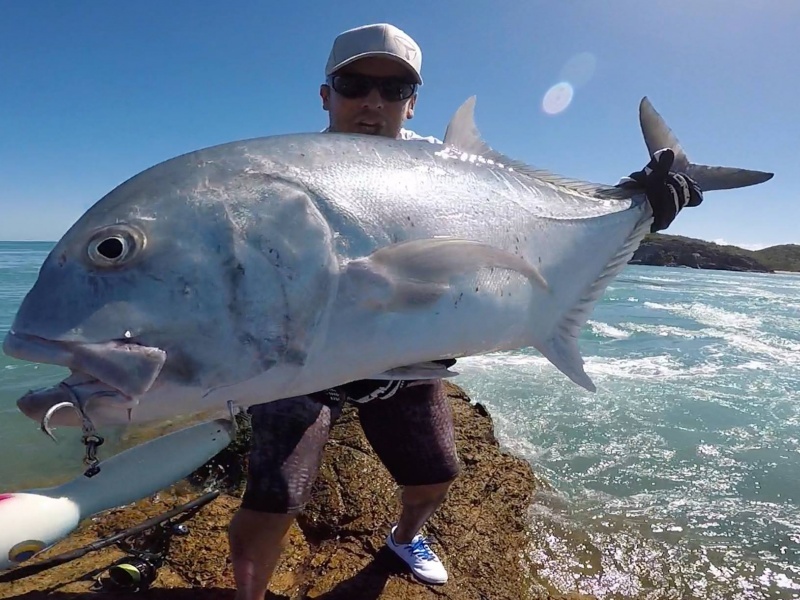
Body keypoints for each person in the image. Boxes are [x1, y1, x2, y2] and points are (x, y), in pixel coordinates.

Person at [227, 22, 703, 600]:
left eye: (394, 90)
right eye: (354, 84)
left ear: (412, 103)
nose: (373, 102)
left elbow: (534, 224)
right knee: (274, 497)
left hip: (404, 362)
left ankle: (404, 539)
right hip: (297, 360)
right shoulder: (290, 174)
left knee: (435, 479)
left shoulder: (449, 170)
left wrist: (638, 200)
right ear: (325, 94)